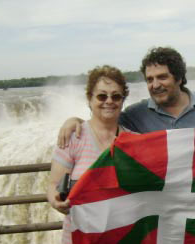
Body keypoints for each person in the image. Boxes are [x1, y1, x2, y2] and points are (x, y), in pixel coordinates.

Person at [57, 46, 195, 147]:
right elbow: (102, 122)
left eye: (162, 77)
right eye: (149, 79)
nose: (155, 85)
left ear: (178, 78)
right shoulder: (135, 114)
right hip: (160, 211)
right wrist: (74, 121)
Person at [47, 65, 131, 244]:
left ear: (123, 101)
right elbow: (54, 184)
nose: (109, 101)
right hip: (81, 236)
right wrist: (56, 201)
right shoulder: (73, 138)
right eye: (102, 95)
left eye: (116, 96)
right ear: (89, 99)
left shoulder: (134, 142)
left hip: (122, 235)